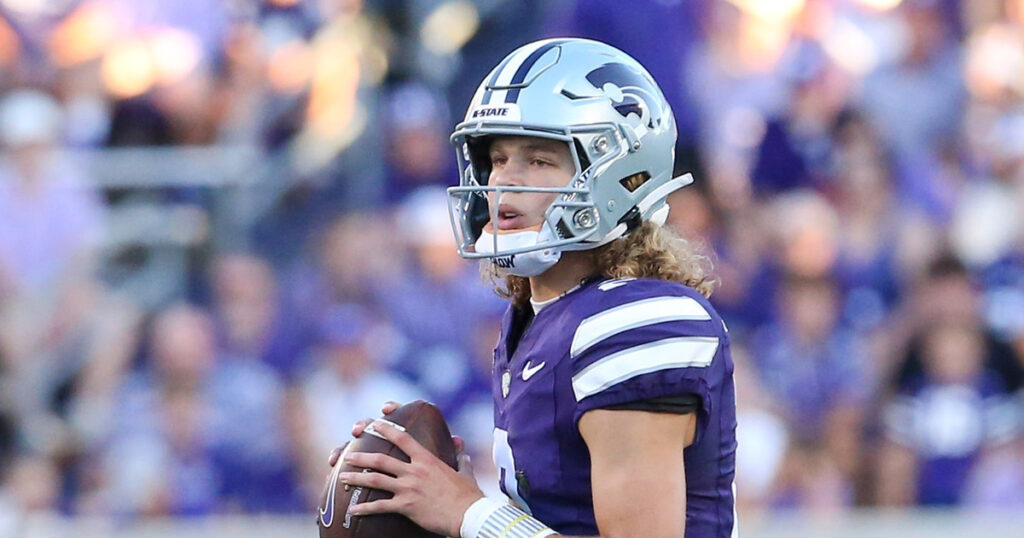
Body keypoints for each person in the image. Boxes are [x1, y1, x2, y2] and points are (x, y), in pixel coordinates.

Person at [324, 38, 738, 538]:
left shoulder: (634, 323)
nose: (502, 182)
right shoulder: (535, 317)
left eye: (538, 160)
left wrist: (468, 512)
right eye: (497, 158)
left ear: (619, 175)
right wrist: (431, 490)